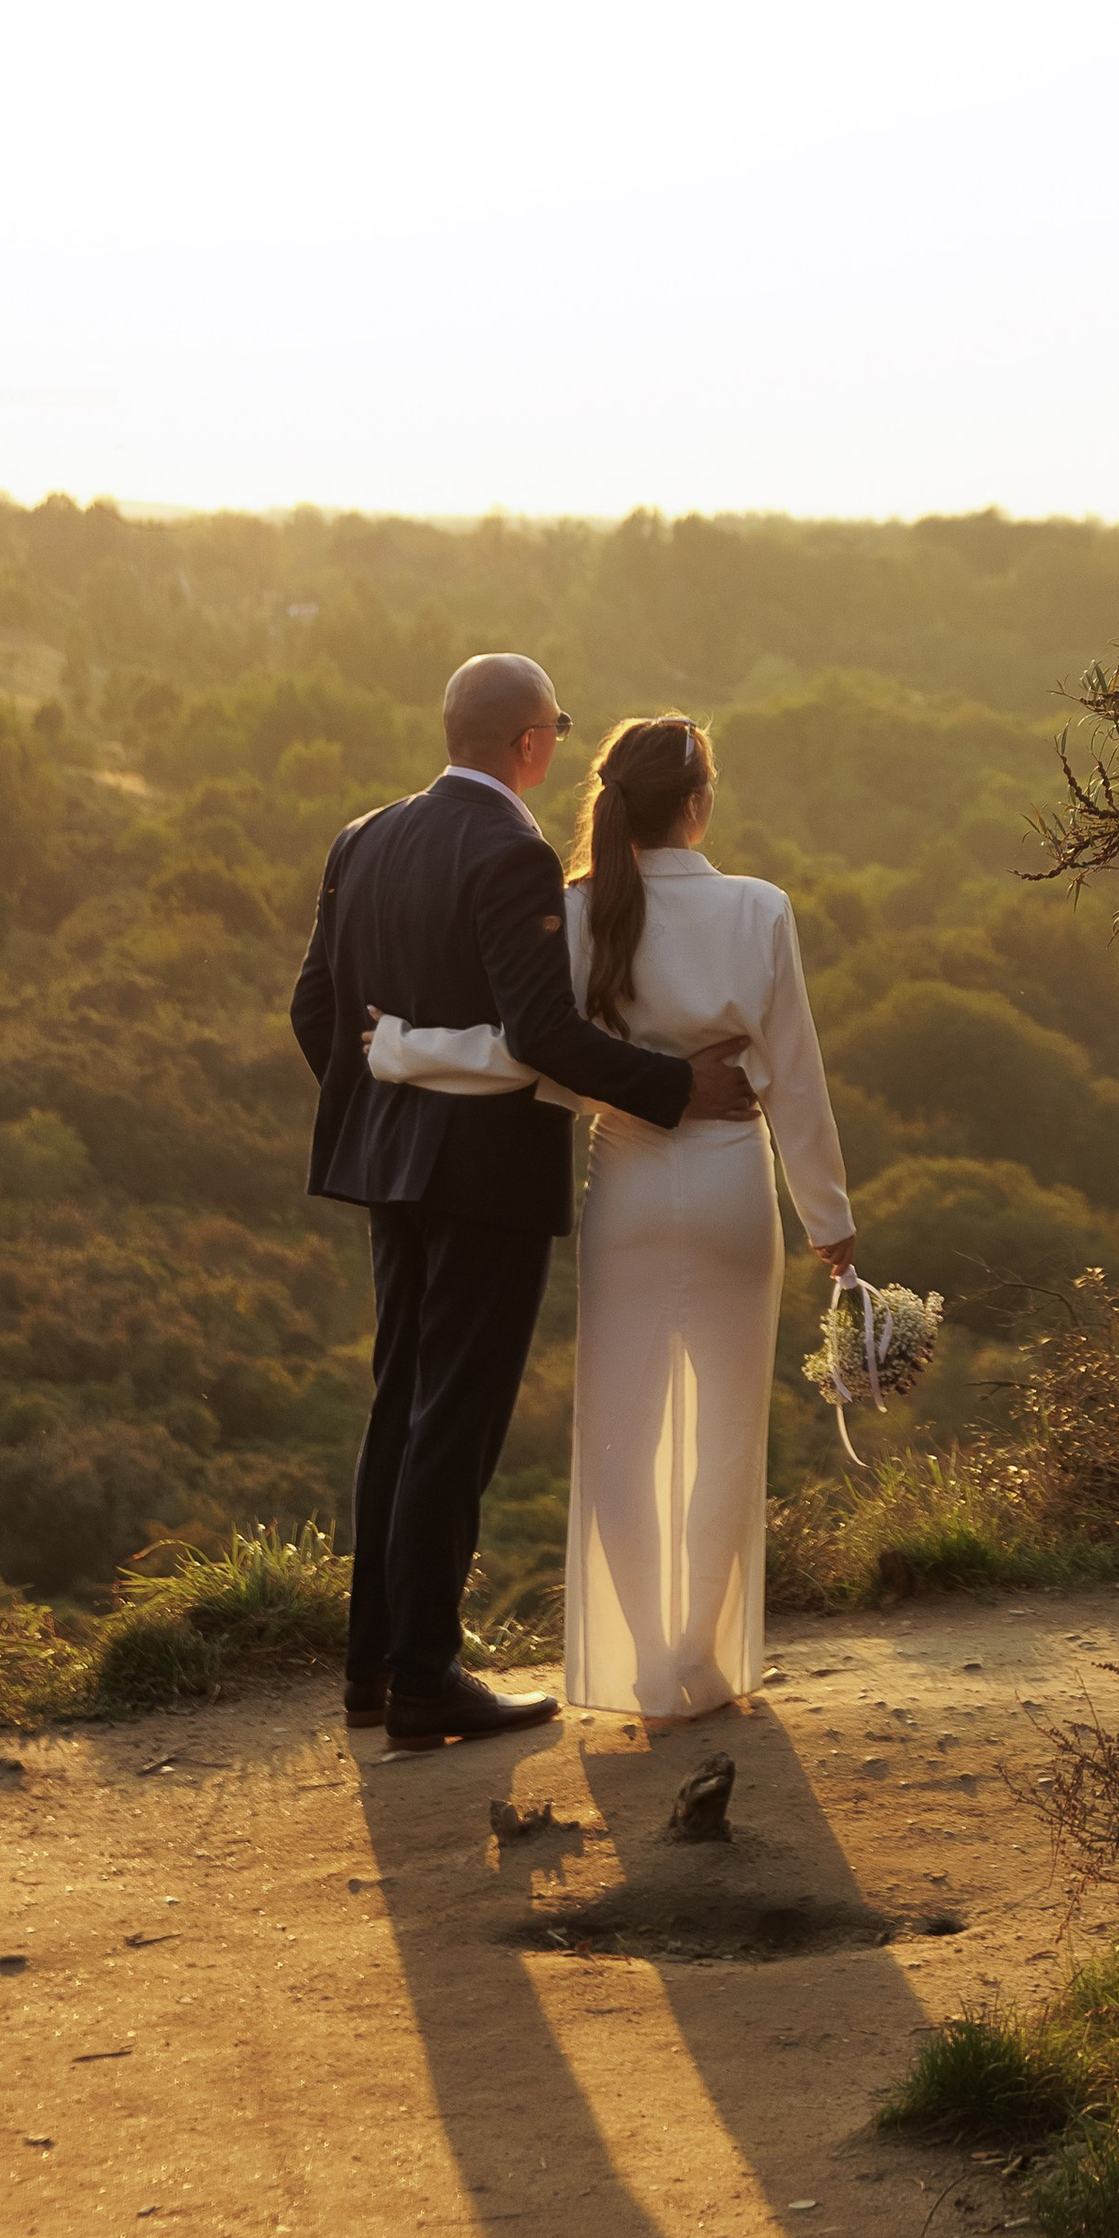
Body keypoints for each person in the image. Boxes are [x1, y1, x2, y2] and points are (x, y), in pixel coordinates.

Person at [290, 652, 762, 1750]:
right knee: (454, 1416)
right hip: (486, 1179)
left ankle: (372, 1672)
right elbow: (543, 1033)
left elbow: (317, 1010)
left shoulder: (361, 837)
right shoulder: (509, 850)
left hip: (385, 1168)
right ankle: (424, 1678)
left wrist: (382, 1112)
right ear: (532, 745)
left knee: (398, 1407)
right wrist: (674, 1087)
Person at [365, 711, 856, 1725]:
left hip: (625, 1188)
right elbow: (796, 1079)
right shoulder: (761, 910)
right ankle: (693, 1659)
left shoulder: (577, 908)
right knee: (725, 1434)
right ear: (698, 805)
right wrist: (829, 1221)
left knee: (620, 1439)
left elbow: (534, 1054)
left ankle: (638, 1656)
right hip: (730, 1190)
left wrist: (411, 1049)